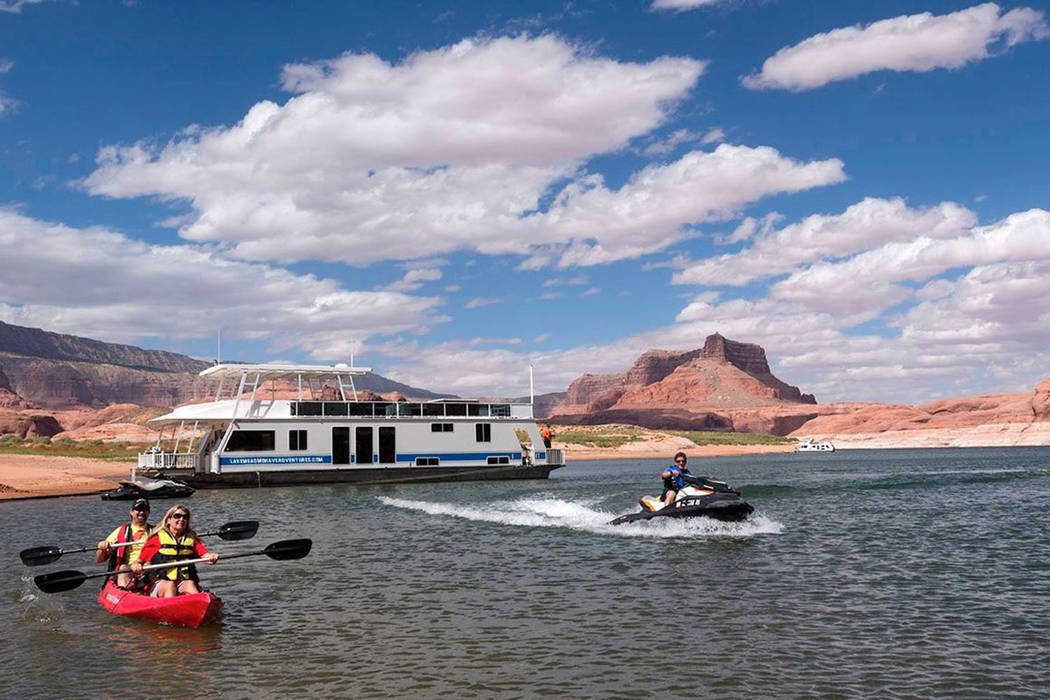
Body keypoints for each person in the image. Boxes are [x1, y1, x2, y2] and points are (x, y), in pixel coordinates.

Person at [131, 504, 218, 598]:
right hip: (160, 581)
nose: (181, 519)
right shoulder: (157, 539)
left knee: (190, 584)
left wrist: (211, 557)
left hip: (182, 581)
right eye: (177, 516)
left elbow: (204, 554)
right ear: (168, 520)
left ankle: (198, 605)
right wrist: (136, 565)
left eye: (185, 517)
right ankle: (170, 609)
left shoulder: (191, 539)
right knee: (170, 585)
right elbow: (138, 561)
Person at [96, 497, 153, 589]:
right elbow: (99, 560)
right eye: (138, 509)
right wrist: (101, 548)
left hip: (149, 569)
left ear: (148, 513)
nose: (142, 512)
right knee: (123, 568)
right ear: (131, 512)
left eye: (145, 510)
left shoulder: (155, 531)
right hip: (128, 569)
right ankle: (124, 592)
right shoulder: (120, 531)